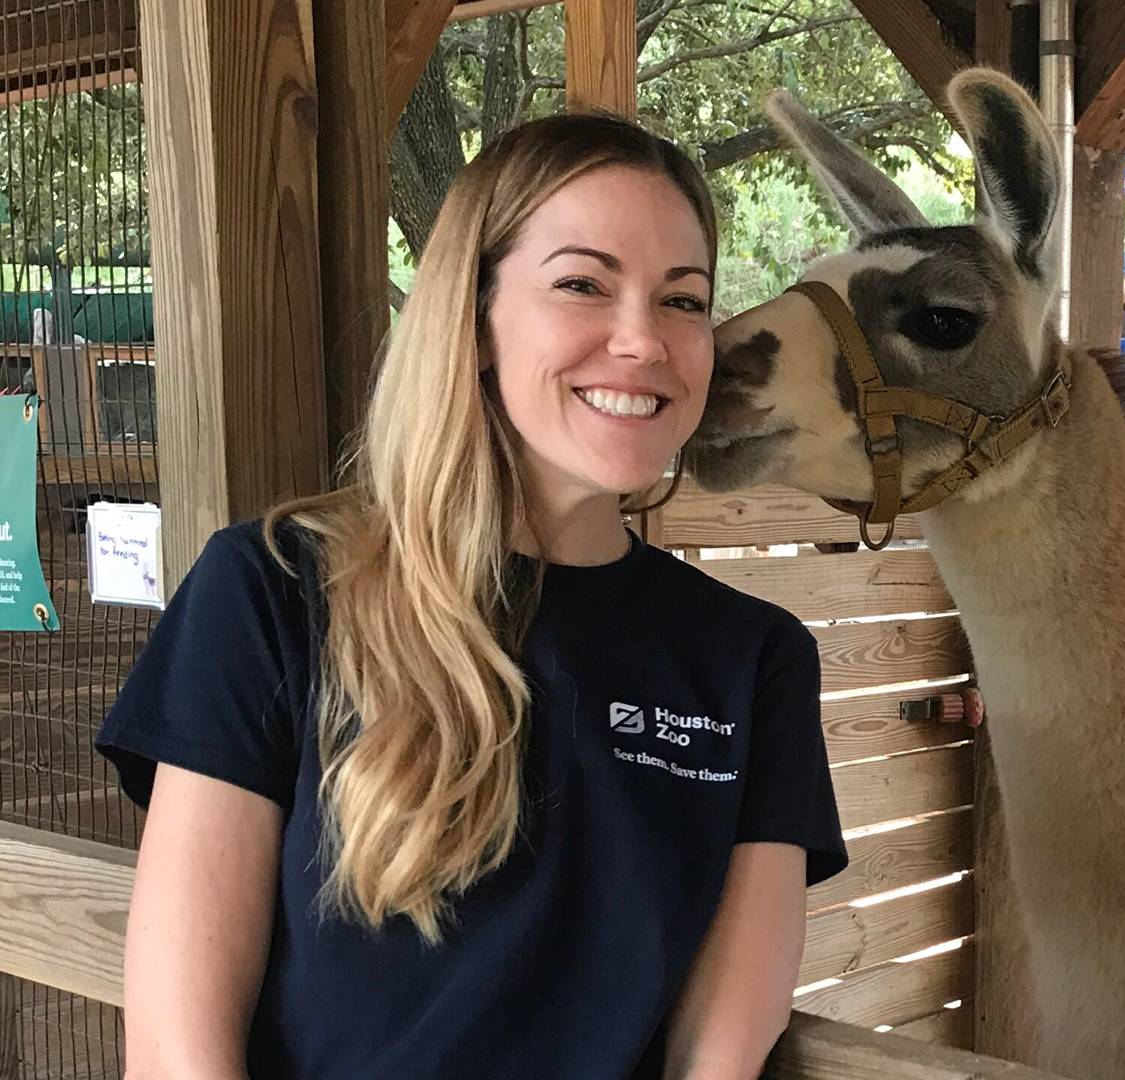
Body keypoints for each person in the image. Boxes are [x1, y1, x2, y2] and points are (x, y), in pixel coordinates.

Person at [95, 111, 846, 1080]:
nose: (643, 340)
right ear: (474, 316)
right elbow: (174, 1054)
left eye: (684, 301)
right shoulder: (275, 594)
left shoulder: (753, 662)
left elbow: (720, 1055)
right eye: (584, 283)